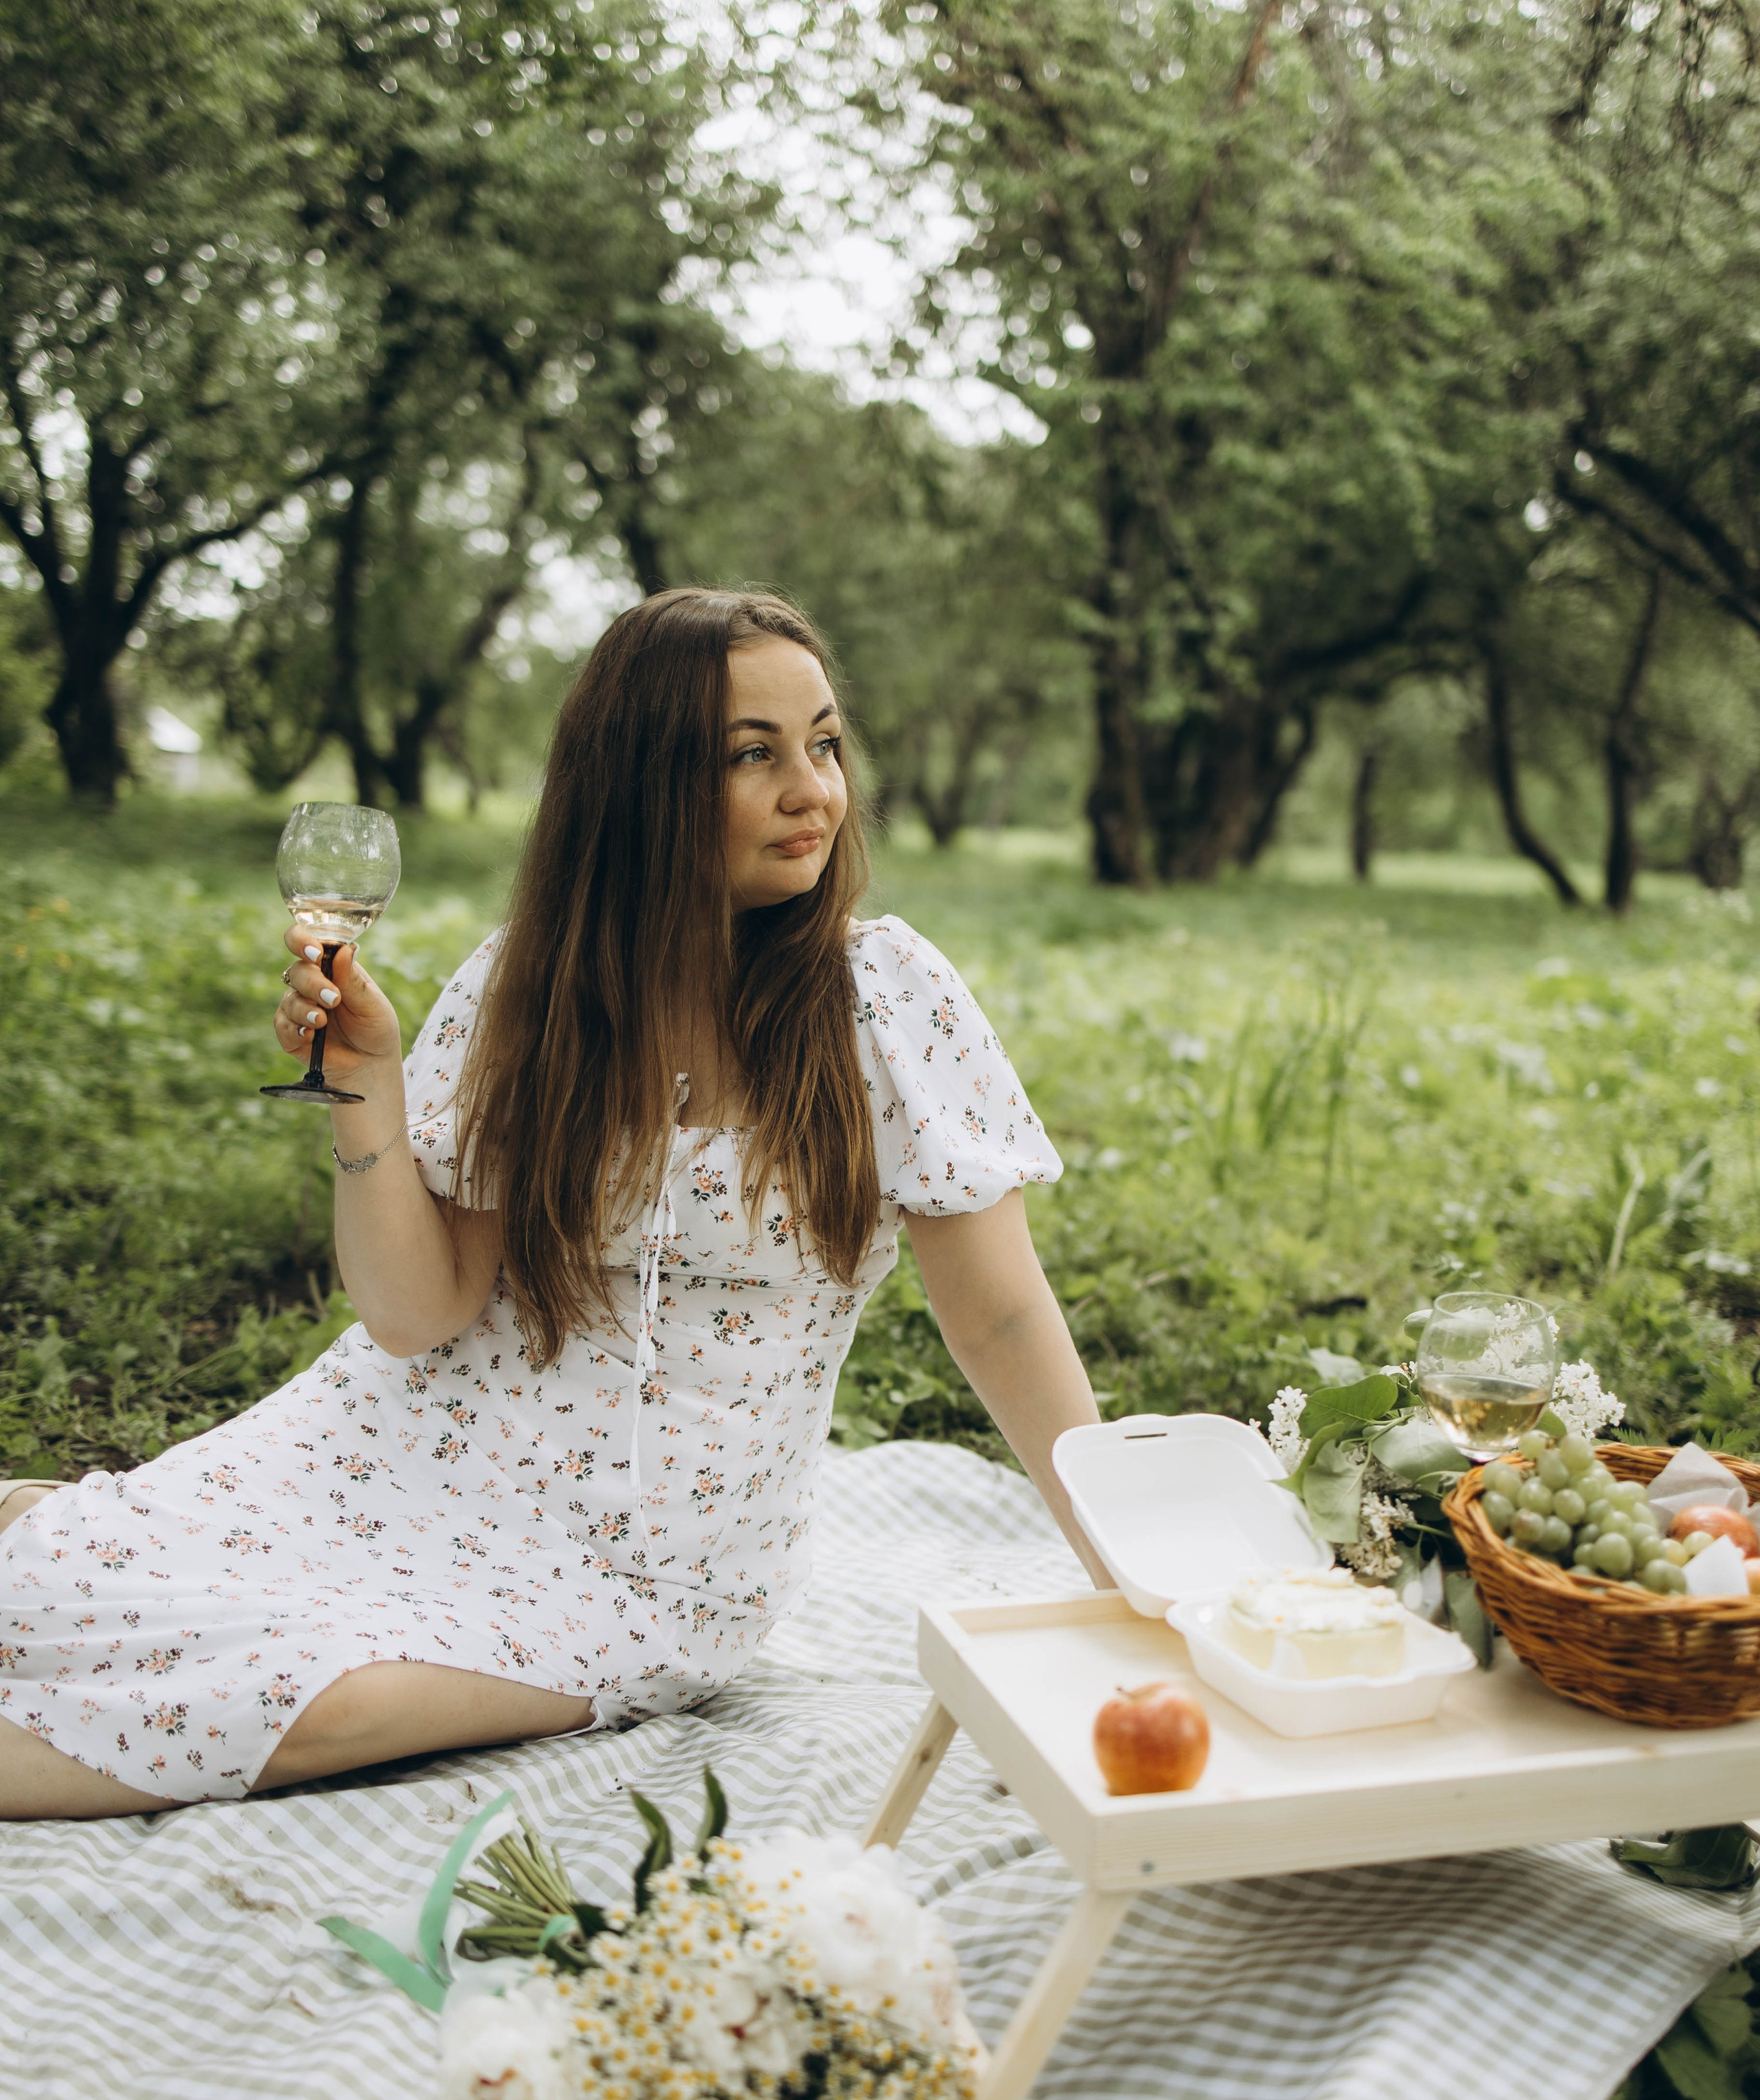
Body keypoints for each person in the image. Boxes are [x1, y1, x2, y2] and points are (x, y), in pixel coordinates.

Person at [0, 588, 1103, 1820]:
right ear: (639, 785)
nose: (814, 791)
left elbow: (1003, 1322)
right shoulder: (534, 983)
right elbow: (420, 1315)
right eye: (753, 755)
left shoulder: (887, 1000)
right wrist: (366, 1087)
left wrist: (1129, 1564)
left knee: (317, 1701)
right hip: (414, 1454)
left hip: (660, 1574)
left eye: (825, 743)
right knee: (61, 1583)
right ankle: (50, 1525)